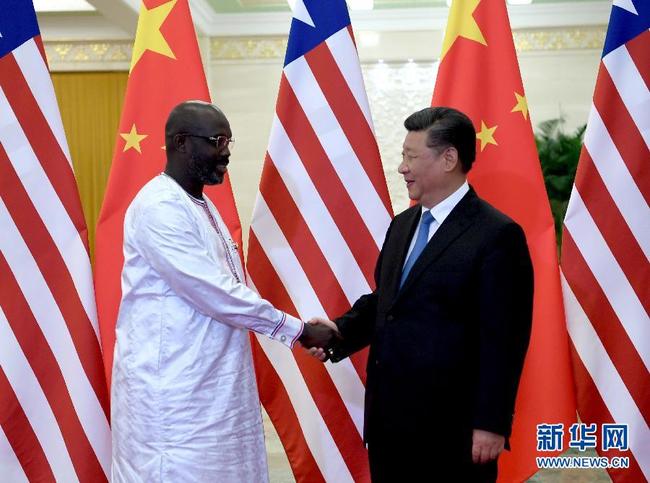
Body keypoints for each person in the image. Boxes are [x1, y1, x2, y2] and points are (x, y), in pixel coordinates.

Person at [110, 100, 337, 483]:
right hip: (175, 398)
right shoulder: (160, 207)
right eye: (217, 141)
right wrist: (297, 331)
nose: (227, 152)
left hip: (212, 390)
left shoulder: (201, 205)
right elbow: (215, 292)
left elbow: (231, 288)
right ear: (181, 142)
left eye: (228, 141)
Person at [309, 107, 534, 482]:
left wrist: (491, 423)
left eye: (411, 156)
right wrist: (339, 329)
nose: (402, 168)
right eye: (403, 156)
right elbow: (388, 301)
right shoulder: (403, 224)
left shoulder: (496, 235)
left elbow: (504, 340)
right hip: (388, 427)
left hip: (453, 433)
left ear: (449, 158)